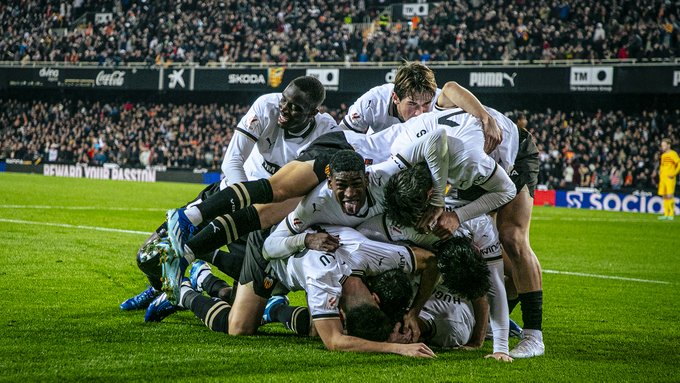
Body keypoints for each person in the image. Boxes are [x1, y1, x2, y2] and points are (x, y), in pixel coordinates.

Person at [120, 76, 337, 310]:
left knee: (247, 302)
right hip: (230, 197)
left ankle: (198, 281)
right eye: (284, 100)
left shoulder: (326, 131)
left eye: (296, 108)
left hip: (266, 216)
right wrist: (240, 204)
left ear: (313, 113)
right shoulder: (266, 106)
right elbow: (232, 161)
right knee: (148, 255)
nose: (284, 109)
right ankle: (158, 288)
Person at [657, 138, 680, 220]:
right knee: (664, 196)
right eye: (662, 145)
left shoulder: (673, 154)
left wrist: (674, 174)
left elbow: (679, 164)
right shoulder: (663, 155)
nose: (662, 146)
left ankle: (671, 214)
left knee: (670, 195)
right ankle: (666, 214)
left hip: (670, 177)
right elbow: (662, 166)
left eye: (664, 145)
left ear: (668, 145)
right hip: (663, 178)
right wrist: (660, 172)